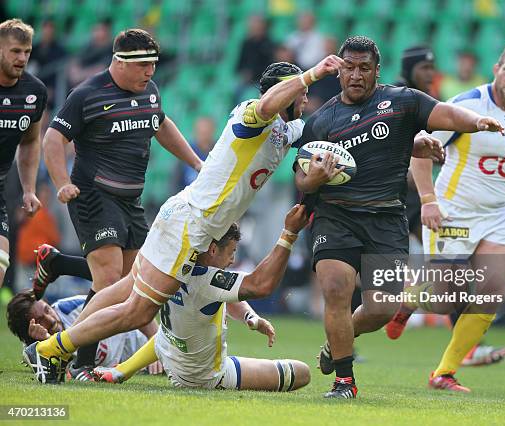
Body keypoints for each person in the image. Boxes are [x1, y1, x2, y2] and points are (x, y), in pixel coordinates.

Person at [24, 54, 345, 385]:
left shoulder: (284, 130)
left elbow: (318, 125)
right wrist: (311, 74)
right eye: (300, 94)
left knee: (126, 288)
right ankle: (54, 348)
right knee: (138, 310)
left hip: (188, 218)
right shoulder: (253, 112)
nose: (305, 100)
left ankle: (55, 348)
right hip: (192, 225)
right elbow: (267, 107)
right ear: (284, 92)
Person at [293, 36, 504, 399]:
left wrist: (478, 121)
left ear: (377, 71)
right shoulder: (321, 120)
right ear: (339, 70)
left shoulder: (402, 102)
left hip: (386, 219)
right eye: (349, 68)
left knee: (382, 308)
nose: (355, 75)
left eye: (364, 68)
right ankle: (344, 381)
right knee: (336, 289)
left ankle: (338, 342)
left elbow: (446, 114)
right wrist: (313, 178)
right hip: (336, 216)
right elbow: (301, 177)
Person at [40, 28, 203, 380]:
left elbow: (161, 125)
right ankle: (77, 363)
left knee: (135, 283)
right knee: (110, 276)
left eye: (154, 65)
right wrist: (61, 183)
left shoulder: (150, 92)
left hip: (131, 201)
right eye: (143, 65)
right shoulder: (87, 95)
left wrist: (195, 163)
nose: (150, 72)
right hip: (93, 195)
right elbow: (53, 139)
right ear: (119, 62)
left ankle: (62, 335)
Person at [396, 44, 505, 392]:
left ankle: (443, 373)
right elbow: (419, 151)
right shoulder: (465, 106)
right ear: (496, 68)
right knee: (447, 296)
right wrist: (428, 201)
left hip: (498, 215)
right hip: (453, 209)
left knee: (491, 292)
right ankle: (411, 298)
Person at [386, 46, 505, 369]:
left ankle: (416, 304)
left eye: (433, 68)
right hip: (396, 194)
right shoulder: (398, 96)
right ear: (410, 69)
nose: (430, 74)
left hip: (422, 196)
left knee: (451, 269)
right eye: (424, 68)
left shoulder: (433, 97)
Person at [93, 221, 310, 392]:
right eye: (231, 251)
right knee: (301, 372)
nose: (233, 259)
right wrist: (288, 234)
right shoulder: (208, 281)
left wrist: (249, 317)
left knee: (170, 335)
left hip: (171, 358)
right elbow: (259, 284)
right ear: (213, 249)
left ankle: (121, 371)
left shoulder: (171, 269)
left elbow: (165, 339)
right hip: (205, 378)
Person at [6, 288, 161, 376]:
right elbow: (63, 374)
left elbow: (132, 309)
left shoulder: (71, 307)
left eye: (47, 309)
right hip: (128, 370)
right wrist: (46, 340)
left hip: (141, 344)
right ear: (29, 331)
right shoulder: (34, 350)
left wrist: (154, 342)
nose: (51, 319)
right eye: (40, 320)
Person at [0, 19, 47, 288]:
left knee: (1, 265)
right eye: (15, 51)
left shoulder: (35, 92)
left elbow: (30, 141)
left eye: (27, 52)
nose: (22, 58)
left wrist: (29, 190)